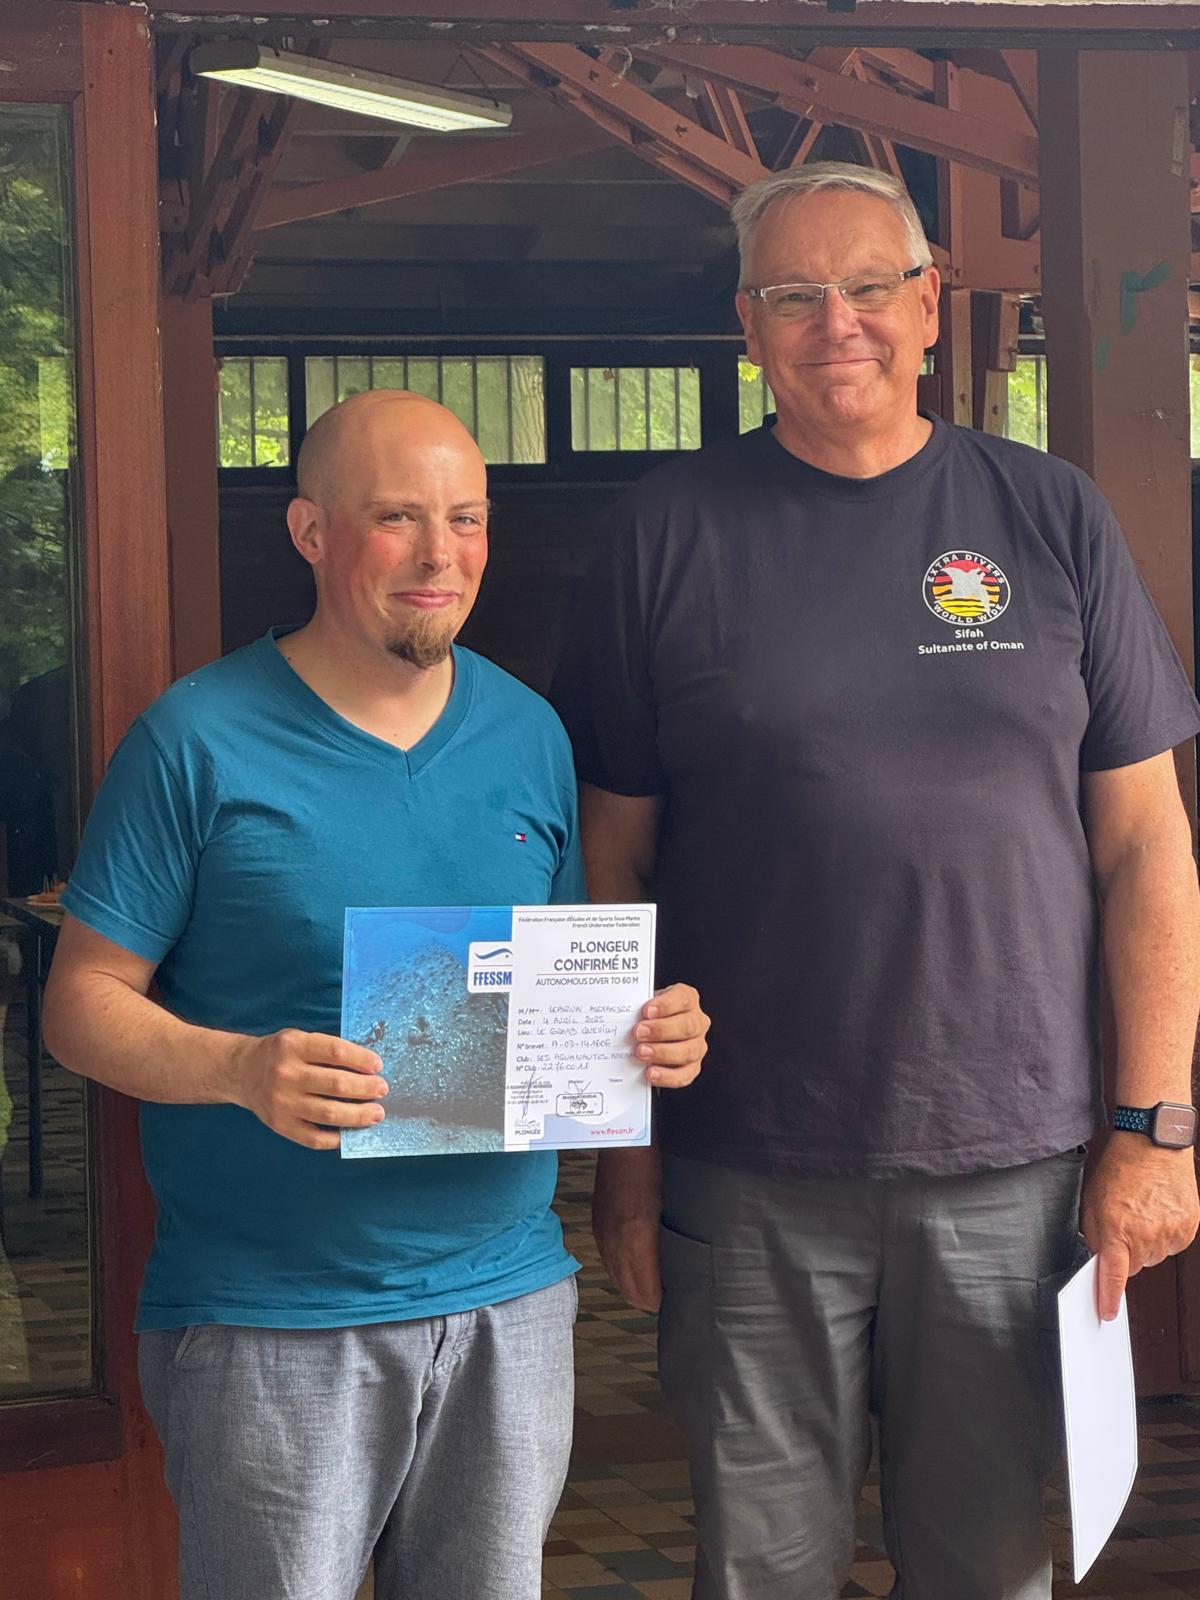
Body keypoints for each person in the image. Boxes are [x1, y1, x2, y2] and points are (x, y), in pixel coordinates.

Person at [552, 162, 1200, 1600]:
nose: (833, 322)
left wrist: (1155, 1126)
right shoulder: (666, 531)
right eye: (793, 295)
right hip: (746, 1162)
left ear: (929, 301)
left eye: (866, 287)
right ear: (747, 325)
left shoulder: (1049, 515)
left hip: (1012, 1157)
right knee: (759, 1568)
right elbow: (613, 867)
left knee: (986, 1562)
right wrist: (625, 1155)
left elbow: (1149, 844)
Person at [41, 391, 709, 1600]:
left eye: (467, 518)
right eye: (397, 517)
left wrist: (650, 1030)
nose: (440, 555)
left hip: (507, 1296)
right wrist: (237, 1068)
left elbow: (563, 983)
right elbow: (80, 1001)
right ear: (311, 532)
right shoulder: (194, 739)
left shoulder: (529, 733)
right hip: (269, 1315)